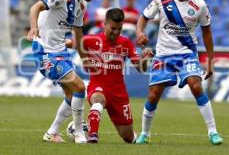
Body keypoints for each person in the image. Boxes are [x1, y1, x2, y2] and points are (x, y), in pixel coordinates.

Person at [135, 0, 223, 145]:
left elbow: (207, 33)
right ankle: (144, 133)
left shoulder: (200, 5)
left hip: (186, 54)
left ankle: (213, 132)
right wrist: (139, 32)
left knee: (196, 86)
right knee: (153, 95)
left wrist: (211, 61)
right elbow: (143, 16)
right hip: (164, 54)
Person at [44, 8, 154, 144]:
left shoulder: (125, 43)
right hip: (97, 86)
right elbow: (72, 43)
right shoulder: (92, 40)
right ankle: (92, 135)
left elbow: (141, 68)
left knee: (128, 137)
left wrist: (145, 59)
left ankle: (135, 138)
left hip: (119, 94)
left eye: (119, 29)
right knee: (98, 100)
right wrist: (55, 47)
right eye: (113, 28)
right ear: (105, 24)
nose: (115, 32)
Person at [26, 0, 105, 143]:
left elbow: (78, 34)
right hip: (45, 51)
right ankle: (79, 133)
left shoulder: (82, 6)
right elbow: (36, 7)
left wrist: (84, 57)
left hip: (61, 52)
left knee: (71, 95)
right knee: (79, 88)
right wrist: (33, 27)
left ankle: (51, 133)